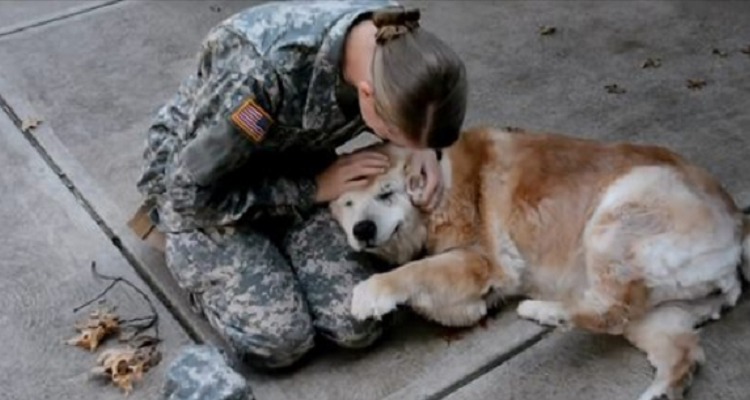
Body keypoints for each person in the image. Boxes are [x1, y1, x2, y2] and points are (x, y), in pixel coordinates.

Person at [134, 0, 468, 371]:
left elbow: (428, 108)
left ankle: (273, 248)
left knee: (358, 322)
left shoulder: (400, 43)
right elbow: (188, 193)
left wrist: (422, 148)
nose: (396, 141)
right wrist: (310, 190)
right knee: (281, 342)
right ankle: (181, 245)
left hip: (297, 159)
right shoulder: (259, 78)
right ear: (367, 95)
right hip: (206, 186)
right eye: (391, 132)